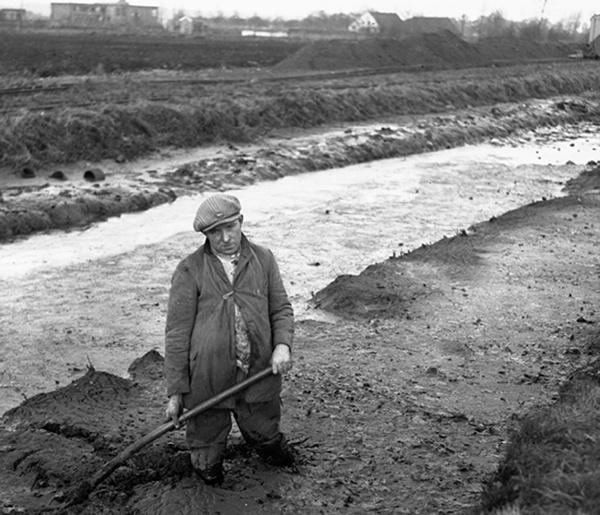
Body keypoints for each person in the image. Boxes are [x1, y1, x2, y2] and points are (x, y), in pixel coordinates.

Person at [164, 193, 295, 486]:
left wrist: (282, 346)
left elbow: (281, 308)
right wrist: (176, 391)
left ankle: (268, 445)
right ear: (205, 234)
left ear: (241, 222)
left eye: (230, 227)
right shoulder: (189, 270)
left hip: (258, 372)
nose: (224, 238)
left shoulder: (263, 259)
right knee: (207, 467)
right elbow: (176, 334)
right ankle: (208, 464)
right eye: (214, 232)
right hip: (207, 381)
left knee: (269, 442)